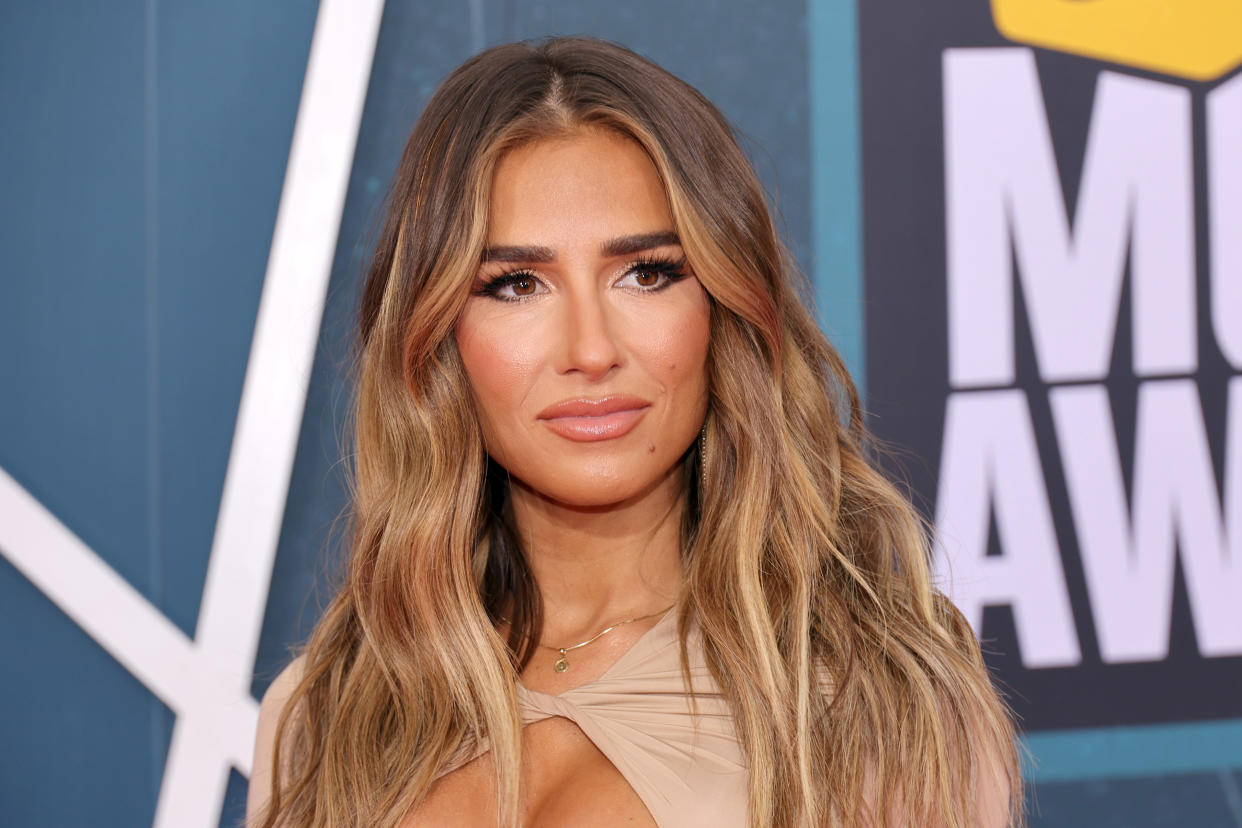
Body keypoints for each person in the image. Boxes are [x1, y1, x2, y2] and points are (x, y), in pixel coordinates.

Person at [247, 36, 1021, 828]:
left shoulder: (865, 699)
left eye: (646, 273)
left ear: (723, 308)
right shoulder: (327, 711)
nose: (592, 350)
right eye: (516, 284)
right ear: (437, 337)